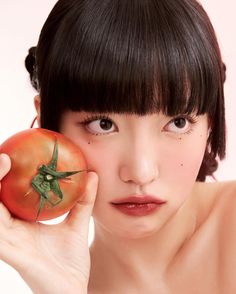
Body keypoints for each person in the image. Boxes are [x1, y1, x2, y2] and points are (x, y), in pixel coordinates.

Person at [0, 0, 235, 293]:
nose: (141, 172)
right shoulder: (68, 282)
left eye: (177, 122)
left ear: (210, 121)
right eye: (103, 125)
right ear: (48, 124)